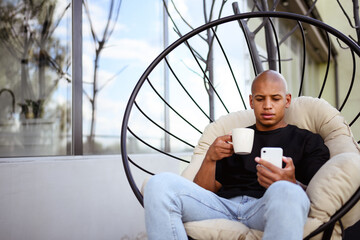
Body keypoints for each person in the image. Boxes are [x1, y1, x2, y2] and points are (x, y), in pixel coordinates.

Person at [144, 70, 330, 240]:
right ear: (251, 101)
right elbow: (203, 193)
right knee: (159, 184)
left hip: (265, 206)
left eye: (275, 98)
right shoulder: (235, 137)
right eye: (260, 99)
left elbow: (318, 193)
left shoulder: (307, 140)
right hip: (223, 206)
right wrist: (210, 158)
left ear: (287, 100)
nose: (267, 106)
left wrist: (292, 182)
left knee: (288, 191)